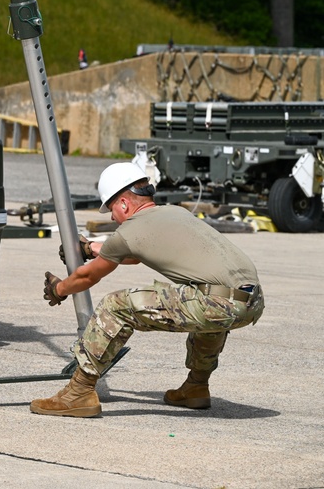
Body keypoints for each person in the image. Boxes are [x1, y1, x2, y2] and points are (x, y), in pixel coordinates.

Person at [31, 162, 264, 418]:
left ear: (123, 203)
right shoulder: (174, 213)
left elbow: (88, 276)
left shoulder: (130, 231)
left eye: (111, 210)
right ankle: (196, 387)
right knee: (209, 315)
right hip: (250, 301)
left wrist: (60, 288)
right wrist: (92, 249)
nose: (111, 218)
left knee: (115, 306)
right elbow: (136, 253)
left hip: (218, 302)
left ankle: (79, 392)